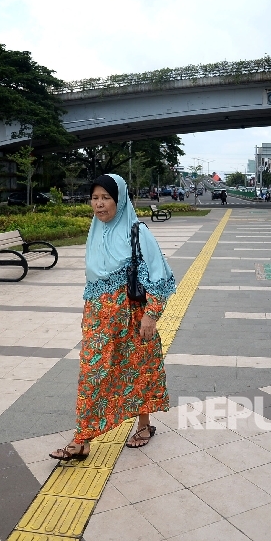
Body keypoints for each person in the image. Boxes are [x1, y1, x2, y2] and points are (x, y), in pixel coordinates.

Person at [50, 174, 176, 460]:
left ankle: (144, 425)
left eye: (106, 198)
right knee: (92, 375)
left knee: (138, 370)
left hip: (132, 318)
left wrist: (151, 316)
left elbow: (160, 276)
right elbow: (93, 280)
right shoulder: (94, 231)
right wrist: (90, 318)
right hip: (100, 321)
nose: (99, 204)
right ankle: (82, 438)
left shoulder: (137, 232)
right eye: (94, 198)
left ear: (119, 200)